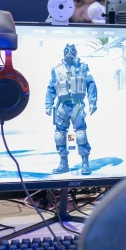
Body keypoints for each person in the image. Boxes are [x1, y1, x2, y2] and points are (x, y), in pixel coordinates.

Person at [45, 44, 97, 176]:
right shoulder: (56, 70)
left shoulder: (83, 67)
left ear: (76, 52)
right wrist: (48, 104)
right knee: (59, 135)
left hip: (77, 105)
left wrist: (92, 101)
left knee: (80, 133)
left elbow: (91, 84)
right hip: (62, 105)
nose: (69, 53)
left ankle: (85, 162)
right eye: (66, 50)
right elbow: (51, 87)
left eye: (72, 50)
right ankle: (63, 163)